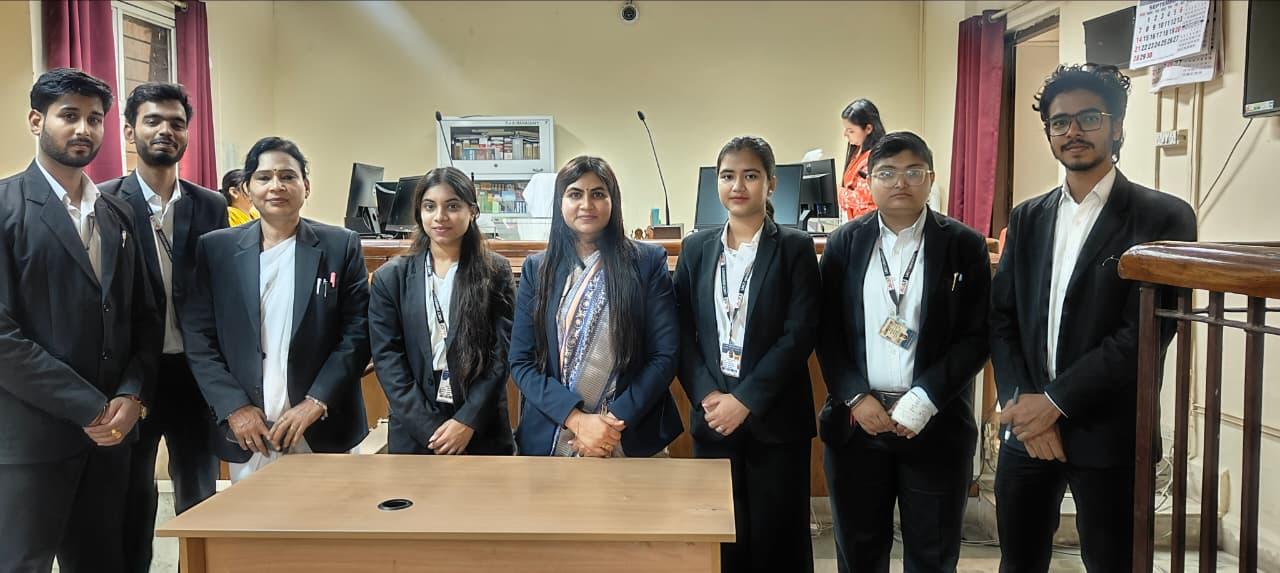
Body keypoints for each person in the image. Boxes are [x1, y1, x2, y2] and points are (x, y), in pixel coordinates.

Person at [991, 64, 1197, 572]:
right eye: (1060, 122)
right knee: (1018, 561)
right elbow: (1002, 317)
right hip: (1028, 430)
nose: (1073, 131)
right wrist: (1026, 405)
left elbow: (1145, 333)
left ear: (1117, 125)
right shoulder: (1028, 216)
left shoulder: (1164, 216)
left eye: (1089, 118)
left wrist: (1055, 403)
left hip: (1109, 432)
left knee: (1112, 562)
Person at [0, 68, 162, 573]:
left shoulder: (116, 213)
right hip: (32, 440)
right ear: (36, 121)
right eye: (69, 116)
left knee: (103, 562)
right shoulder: (4, 207)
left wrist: (132, 395)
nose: (83, 129)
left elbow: (144, 318)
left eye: (94, 119)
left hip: (111, 438)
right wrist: (89, 407)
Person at [817, 131, 991, 573]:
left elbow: (976, 335)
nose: (900, 182)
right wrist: (855, 396)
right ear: (869, 181)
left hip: (936, 426)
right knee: (859, 554)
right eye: (887, 172)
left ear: (930, 178)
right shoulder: (844, 243)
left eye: (913, 172)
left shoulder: (964, 244)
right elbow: (826, 331)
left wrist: (925, 397)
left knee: (932, 556)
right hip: (858, 426)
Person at [185, 136, 370, 481]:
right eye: (264, 177)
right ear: (247, 188)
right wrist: (235, 408)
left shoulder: (339, 245)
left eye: (287, 176)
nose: (276, 186)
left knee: (332, 511)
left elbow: (357, 333)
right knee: (255, 514)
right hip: (250, 429)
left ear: (306, 186)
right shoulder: (216, 250)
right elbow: (199, 337)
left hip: (323, 424)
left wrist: (316, 402)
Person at [98, 82, 228, 572]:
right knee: (133, 494)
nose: (165, 131)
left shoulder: (210, 204)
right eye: (152, 121)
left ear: (188, 134)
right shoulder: (105, 201)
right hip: (133, 376)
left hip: (195, 373)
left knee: (199, 489)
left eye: (176, 123)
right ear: (130, 131)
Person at [674, 136, 819, 572]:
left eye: (751, 175)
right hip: (713, 417)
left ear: (771, 183)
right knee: (720, 543)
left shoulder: (795, 247)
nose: (738, 186)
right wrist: (708, 396)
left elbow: (799, 334)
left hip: (776, 420)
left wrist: (746, 400)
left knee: (779, 544)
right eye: (728, 176)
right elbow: (681, 331)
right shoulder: (696, 248)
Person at [508, 155, 681, 458]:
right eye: (575, 194)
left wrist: (610, 425)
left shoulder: (646, 263)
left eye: (598, 194)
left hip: (630, 432)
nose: (586, 204)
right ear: (560, 203)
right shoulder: (538, 270)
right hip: (555, 432)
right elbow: (522, 362)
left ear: (613, 201)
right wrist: (577, 420)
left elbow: (664, 355)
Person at [369, 167, 516, 455]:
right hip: (415, 422)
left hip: (481, 421)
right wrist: (430, 430)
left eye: (452, 206)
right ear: (419, 213)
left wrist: (467, 421)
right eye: (430, 206)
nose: (440, 216)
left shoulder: (495, 271)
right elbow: (387, 358)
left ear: (472, 211)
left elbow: (502, 354)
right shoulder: (391, 277)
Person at [837, 98, 886, 222]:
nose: (845, 134)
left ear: (868, 129)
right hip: (856, 221)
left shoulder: (876, 158)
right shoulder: (857, 152)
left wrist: (836, 191)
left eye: (851, 131)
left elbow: (861, 198)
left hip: (869, 222)